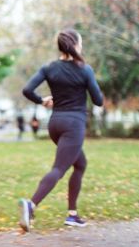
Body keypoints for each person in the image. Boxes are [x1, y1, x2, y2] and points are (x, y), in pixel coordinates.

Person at [18, 29, 103, 232]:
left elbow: (27, 90)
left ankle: (72, 215)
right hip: (73, 126)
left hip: (55, 125)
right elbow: (98, 100)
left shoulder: (49, 68)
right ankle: (31, 205)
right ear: (76, 45)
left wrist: (42, 101)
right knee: (59, 169)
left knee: (80, 164)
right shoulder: (84, 69)